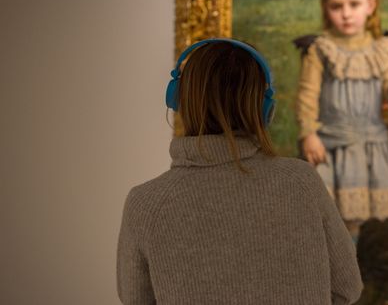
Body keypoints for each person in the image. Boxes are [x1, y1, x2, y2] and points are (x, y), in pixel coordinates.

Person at [116, 38, 363, 305]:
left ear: (177, 99)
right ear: (265, 107)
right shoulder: (300, 182)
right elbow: (347, 287)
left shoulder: (145, 203)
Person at [294, 0, 388, 241]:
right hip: (329, 145)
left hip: (367, 146)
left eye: (354, 4)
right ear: (326, 8)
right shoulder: (321, 49)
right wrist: (309, 133)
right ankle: (317, 278)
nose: (346, 14)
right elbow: (306, 95)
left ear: (370, 5)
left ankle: (347, 275)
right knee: (322, 217)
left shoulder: (383, 49)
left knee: (352, 219)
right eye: (337, 6)